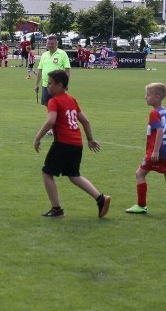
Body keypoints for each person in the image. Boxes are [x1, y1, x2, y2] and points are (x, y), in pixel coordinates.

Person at [33, 70, 110, 219]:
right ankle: (100, 198)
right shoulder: (72, 100)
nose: (47, 87)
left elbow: (50, 121)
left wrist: (37, 138)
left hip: (62, 143)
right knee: (74, 175)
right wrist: (90, 139)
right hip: (76, 144)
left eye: (50, 84)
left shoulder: (54, 101)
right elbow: (85, 121)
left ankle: (56, 209)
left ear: (60, 85)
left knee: (47, 173)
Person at [126, 83, 166, 215]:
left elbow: (160, 130)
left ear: (157, 97)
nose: (145, 97)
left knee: (140, 174)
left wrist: (155, 151)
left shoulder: (154, 113)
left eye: (148, 95)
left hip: (158, 152)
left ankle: (141, 205)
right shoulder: (164, 111)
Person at [34, 35, 71, 107]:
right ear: (46, 44)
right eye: (49, 44)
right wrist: (36, 84)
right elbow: (40, 71)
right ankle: (52, 118)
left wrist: (65, 84)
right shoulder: (44, 55)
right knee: (48, 106)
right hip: (46, 86)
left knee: (59, 106)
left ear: (56, 44)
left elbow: (67, 70)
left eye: (52, 43)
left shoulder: (62, 54)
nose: (50, 45)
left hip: (58, 86)